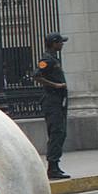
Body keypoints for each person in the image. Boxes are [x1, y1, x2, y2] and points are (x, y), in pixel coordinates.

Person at [35, 33, 69, 179]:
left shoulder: (54, 59)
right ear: (54, 43)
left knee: (60, 132)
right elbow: (36, 76)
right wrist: (55, 85)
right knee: (56, 132)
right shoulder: (46, 60)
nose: (62, 44)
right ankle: (52, 167)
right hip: (52, 100)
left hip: (58, 100)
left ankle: (55, 165)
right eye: (60, 42)